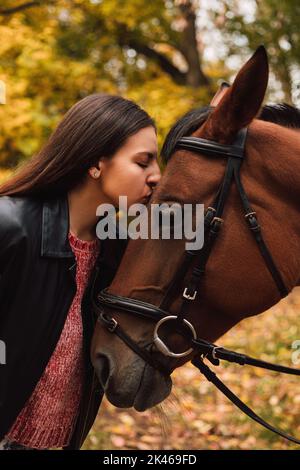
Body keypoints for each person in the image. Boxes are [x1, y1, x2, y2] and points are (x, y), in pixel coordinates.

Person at [0, 94, 161, 450]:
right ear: (95, 163)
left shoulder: (117, 251)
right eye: (143, 162)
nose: (156, 177)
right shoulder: (11, 226)